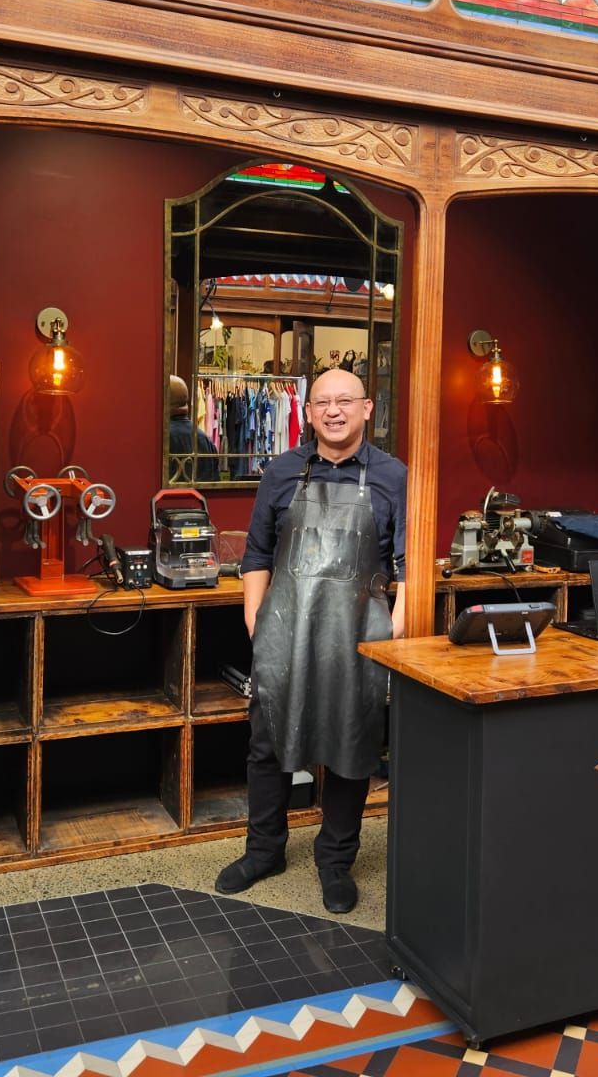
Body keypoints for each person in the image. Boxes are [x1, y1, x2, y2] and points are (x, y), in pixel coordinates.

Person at [215, 367, 406, 914]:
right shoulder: (281, 472)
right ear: (308, 412)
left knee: (351, 748)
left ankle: (336, 862)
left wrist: (394, 627)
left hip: (359, 637)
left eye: (345, 400)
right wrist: (256, 618)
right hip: (284, 629)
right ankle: (263, 851)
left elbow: (409, 564)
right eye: (322, 401)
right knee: (267, 744)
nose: (334, 410)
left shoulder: (395, 477)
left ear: (367, 409)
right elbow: (256, 553)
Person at [168, 375, 219, 485]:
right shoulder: (205, 439)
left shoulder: (160, 438)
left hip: (167, 502)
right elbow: (214, 484)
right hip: (200, 501)